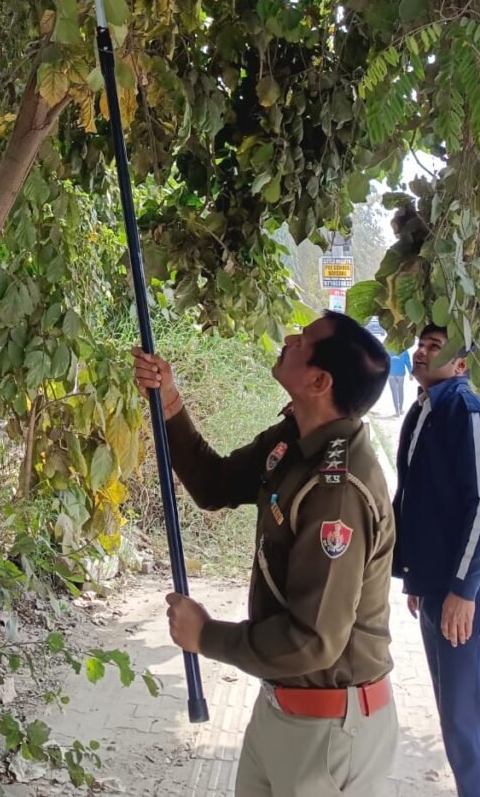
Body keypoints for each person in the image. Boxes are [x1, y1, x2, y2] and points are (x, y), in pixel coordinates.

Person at [133, 313, 398, 796]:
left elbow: (312, 641)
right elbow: (214, 485)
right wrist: (168, 400)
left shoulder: (336, 490)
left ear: (319, 380)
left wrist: (207, 636)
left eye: (306, 340)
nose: (291, 338)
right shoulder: (294, 439)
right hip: (284, 707)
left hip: (329, 733)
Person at [393, 326, 480, 797]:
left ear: (463, 364)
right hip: (440, 587)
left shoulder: (466, 411)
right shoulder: (425, 410)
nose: (423, 352)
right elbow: (421, 498)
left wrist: (462, 590)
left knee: (467, 723)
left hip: (474, 593)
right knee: (458, 718)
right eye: (422, 344)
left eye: (436, 347)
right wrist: (417, 575)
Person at [387, 346, 412, 416]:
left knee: (394, 392)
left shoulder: (388, 348)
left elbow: (385, 361)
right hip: (400, 373)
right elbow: (408, 362)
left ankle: (397, 410)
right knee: (400, 391)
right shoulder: (403, 349)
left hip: (391, 373)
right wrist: (411, 372)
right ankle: (400, 409)